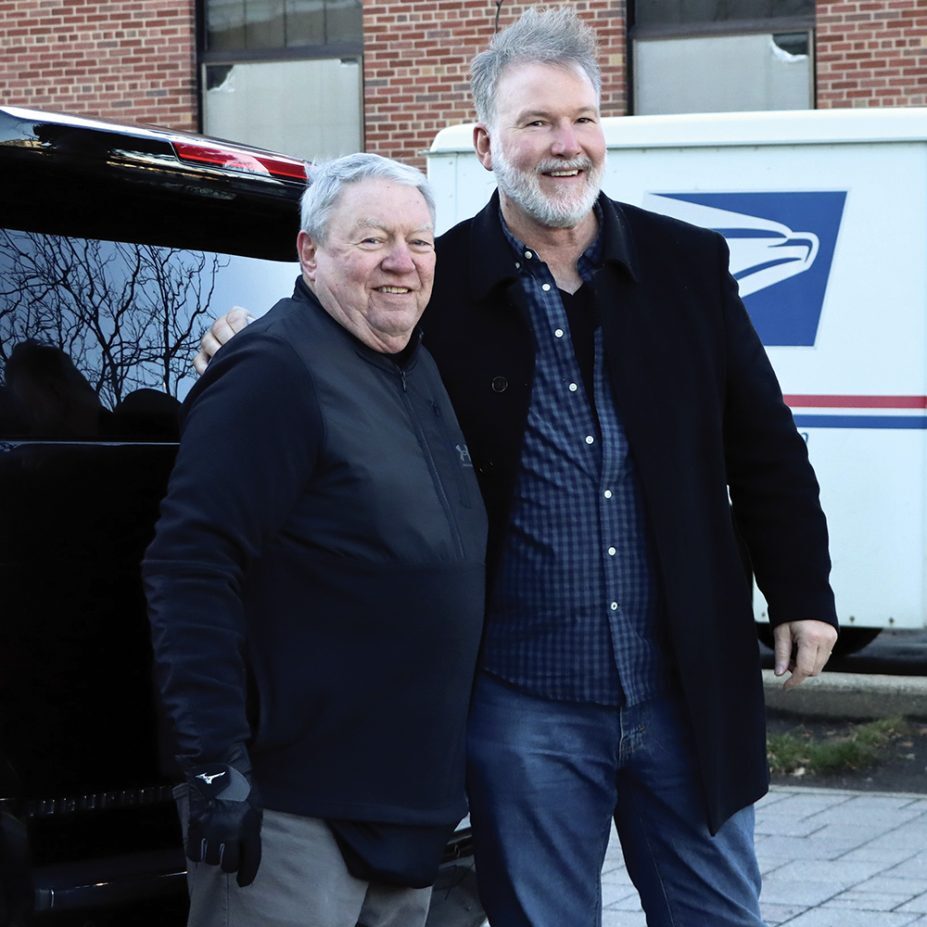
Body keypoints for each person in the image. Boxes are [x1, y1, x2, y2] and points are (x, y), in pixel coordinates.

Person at [197, 8, 839, 926]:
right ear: (486, 142)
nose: (564, 145)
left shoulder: (687, 265)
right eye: (535, 123)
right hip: (522, 703)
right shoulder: (434, 281)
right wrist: (240, 338)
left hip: (684, 688)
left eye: (580, 119)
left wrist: (802, 590)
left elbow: (764, 443)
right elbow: (334, 344)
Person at [143, 153, 487, 927]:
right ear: (309, 253)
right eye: (372, 240)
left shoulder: (413, 367)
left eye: (419, 241)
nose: (402, 261)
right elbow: (189, 565)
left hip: (408, 804)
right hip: (294, 813)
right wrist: (214, 767)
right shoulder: (274, 370)